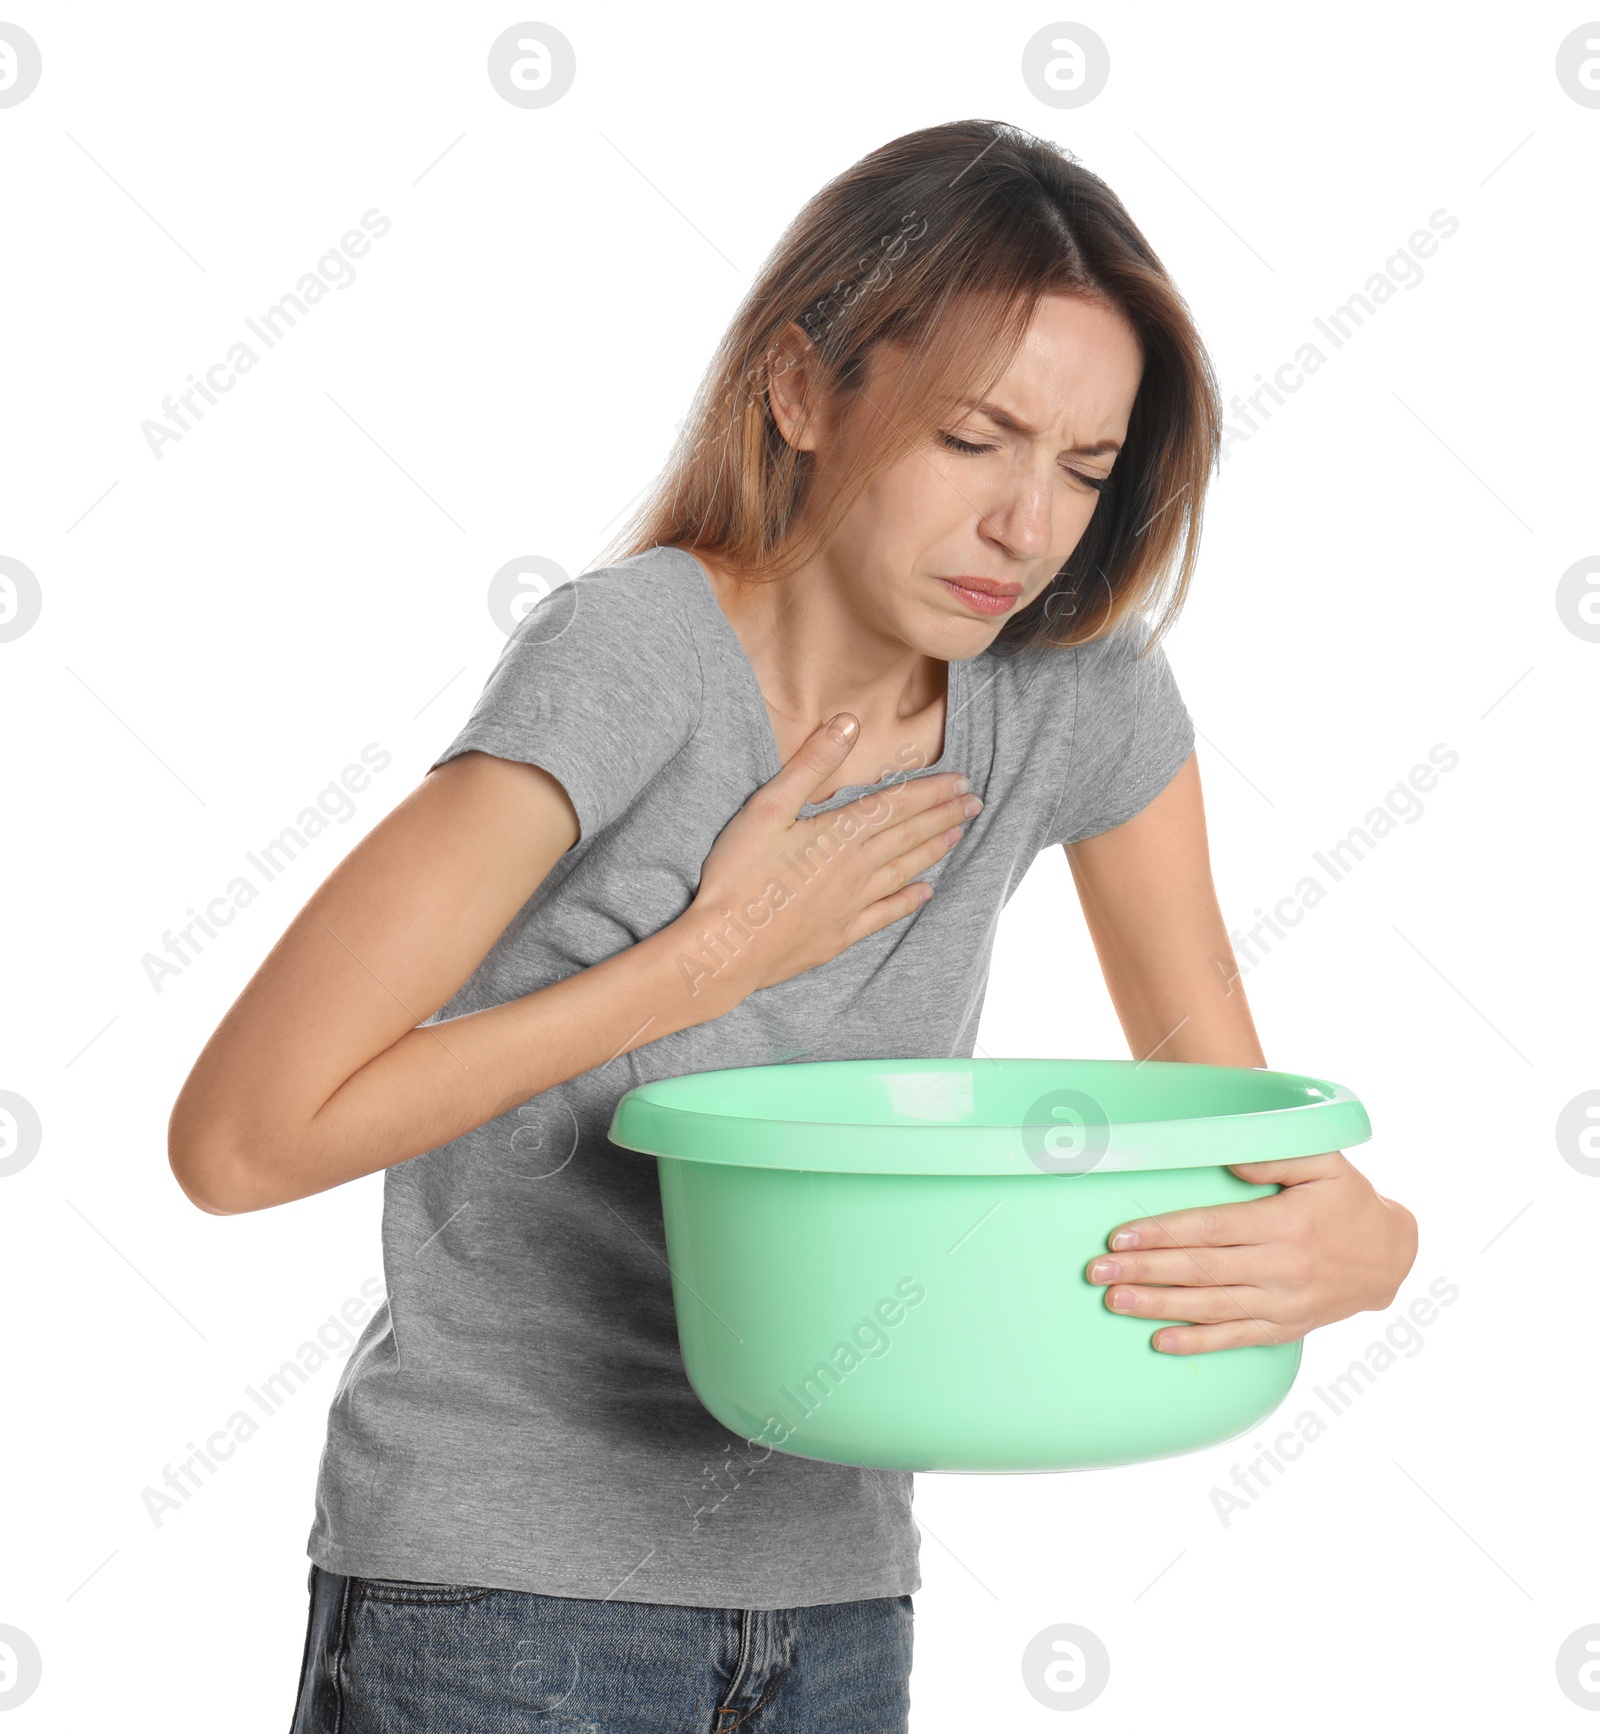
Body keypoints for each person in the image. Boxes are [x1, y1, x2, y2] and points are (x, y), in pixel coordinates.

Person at [168, 117, 1417, 1733]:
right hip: (500, 1606)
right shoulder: (634, 660)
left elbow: (1254, 1129)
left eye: (1086, 470)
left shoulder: (1072, 692)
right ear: (805, 390)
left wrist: (1369, 1248)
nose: (1028, 530)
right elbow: (240, 1140)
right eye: (977, 439)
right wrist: (709, 958)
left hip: (834, 1604)